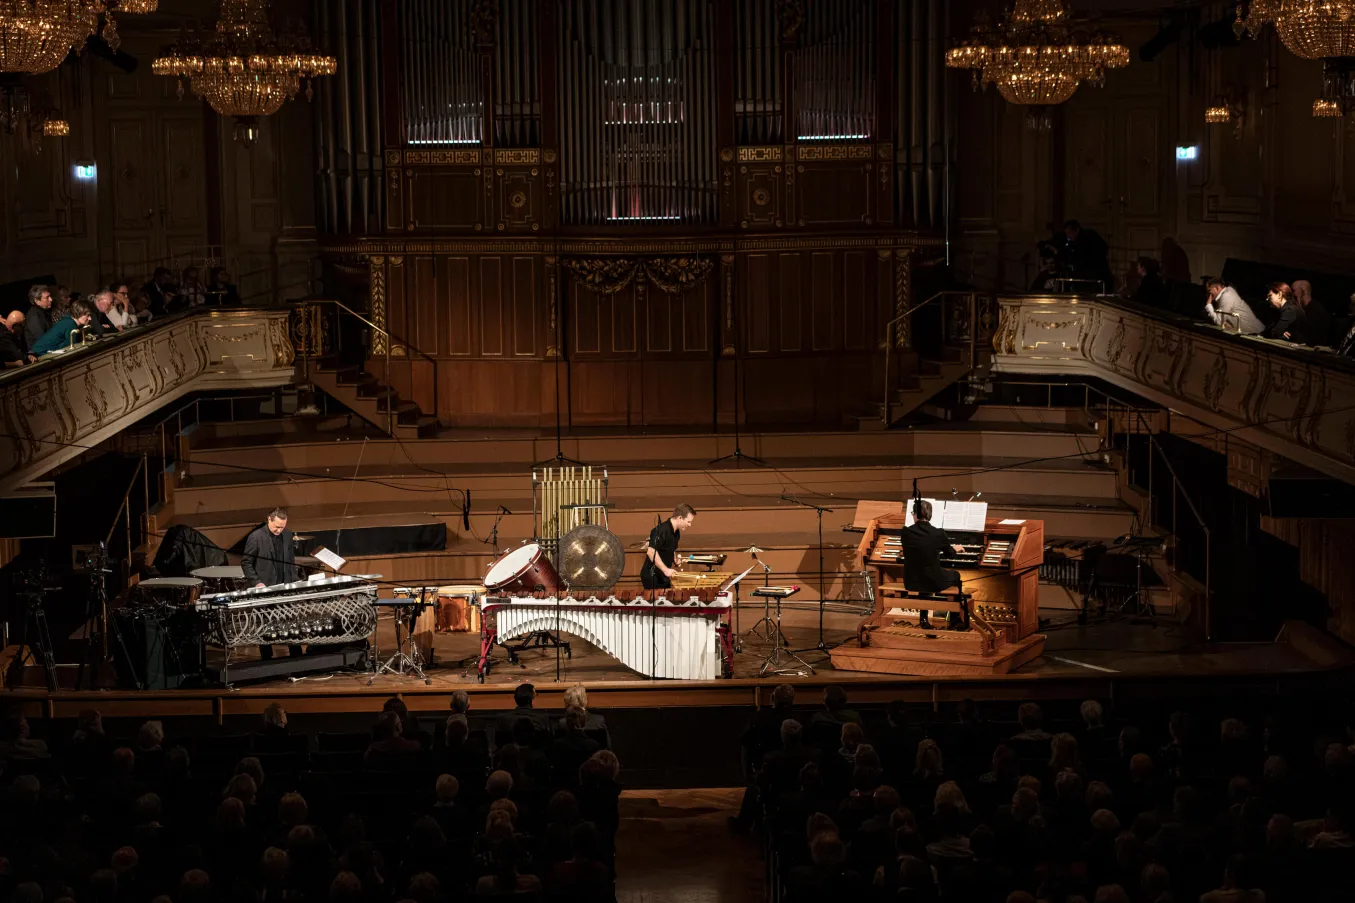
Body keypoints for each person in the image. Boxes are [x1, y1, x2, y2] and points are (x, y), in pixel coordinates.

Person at [898, 499, 969, 630]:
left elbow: (918, 548)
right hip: (933, 581)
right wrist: (955, 548)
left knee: (924, 574)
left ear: (915, 515)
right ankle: (955, 618)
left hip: (910, 581)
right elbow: (950, 555)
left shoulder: (905, 532)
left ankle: (924, 619)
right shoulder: (938, 533)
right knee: (955, 575)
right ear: (929, 515)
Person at [242, 507, 299, 659]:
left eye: (282, 527)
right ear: (269, 519)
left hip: (285, 586)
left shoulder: (287, 534)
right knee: (265, 624)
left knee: (290, 622)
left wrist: (295, 581)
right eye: (277, 526)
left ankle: (296, 656)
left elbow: (290, 561)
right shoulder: (255, 537)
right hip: (265, 588)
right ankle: (266, 659)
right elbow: (246, 563)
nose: (279, 530)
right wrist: (256, 582)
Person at [640, 503, 696, 590]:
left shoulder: (676, 532)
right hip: (652, 576)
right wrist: (666, 570)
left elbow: (670, 548)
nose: (690, 525)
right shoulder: (661, 530)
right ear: (680, 518)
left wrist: (674, 560)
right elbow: (651, 552)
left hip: (662, 576)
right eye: (688, 522)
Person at [1062, 220, 1113, 290]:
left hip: (1095, 277)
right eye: (1066, 233)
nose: (1068, 236)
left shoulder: (1090, 236)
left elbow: (1102, 249)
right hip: (1082, 279)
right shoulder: (1071, 244)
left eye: (1070, 233)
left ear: (1077, 230)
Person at [1293, 280, 1331, 346]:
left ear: (1303, 291)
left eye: (1293, 290)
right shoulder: (1306, 309)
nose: (1292, 294)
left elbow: (1314, 337)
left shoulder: (1316, 309)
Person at [23, 284, 53, 349]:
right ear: (37, 301)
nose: (51, 299)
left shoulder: (44, 312)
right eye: (47, 297)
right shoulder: (33, 316)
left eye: (50, 296)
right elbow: (42, 339)